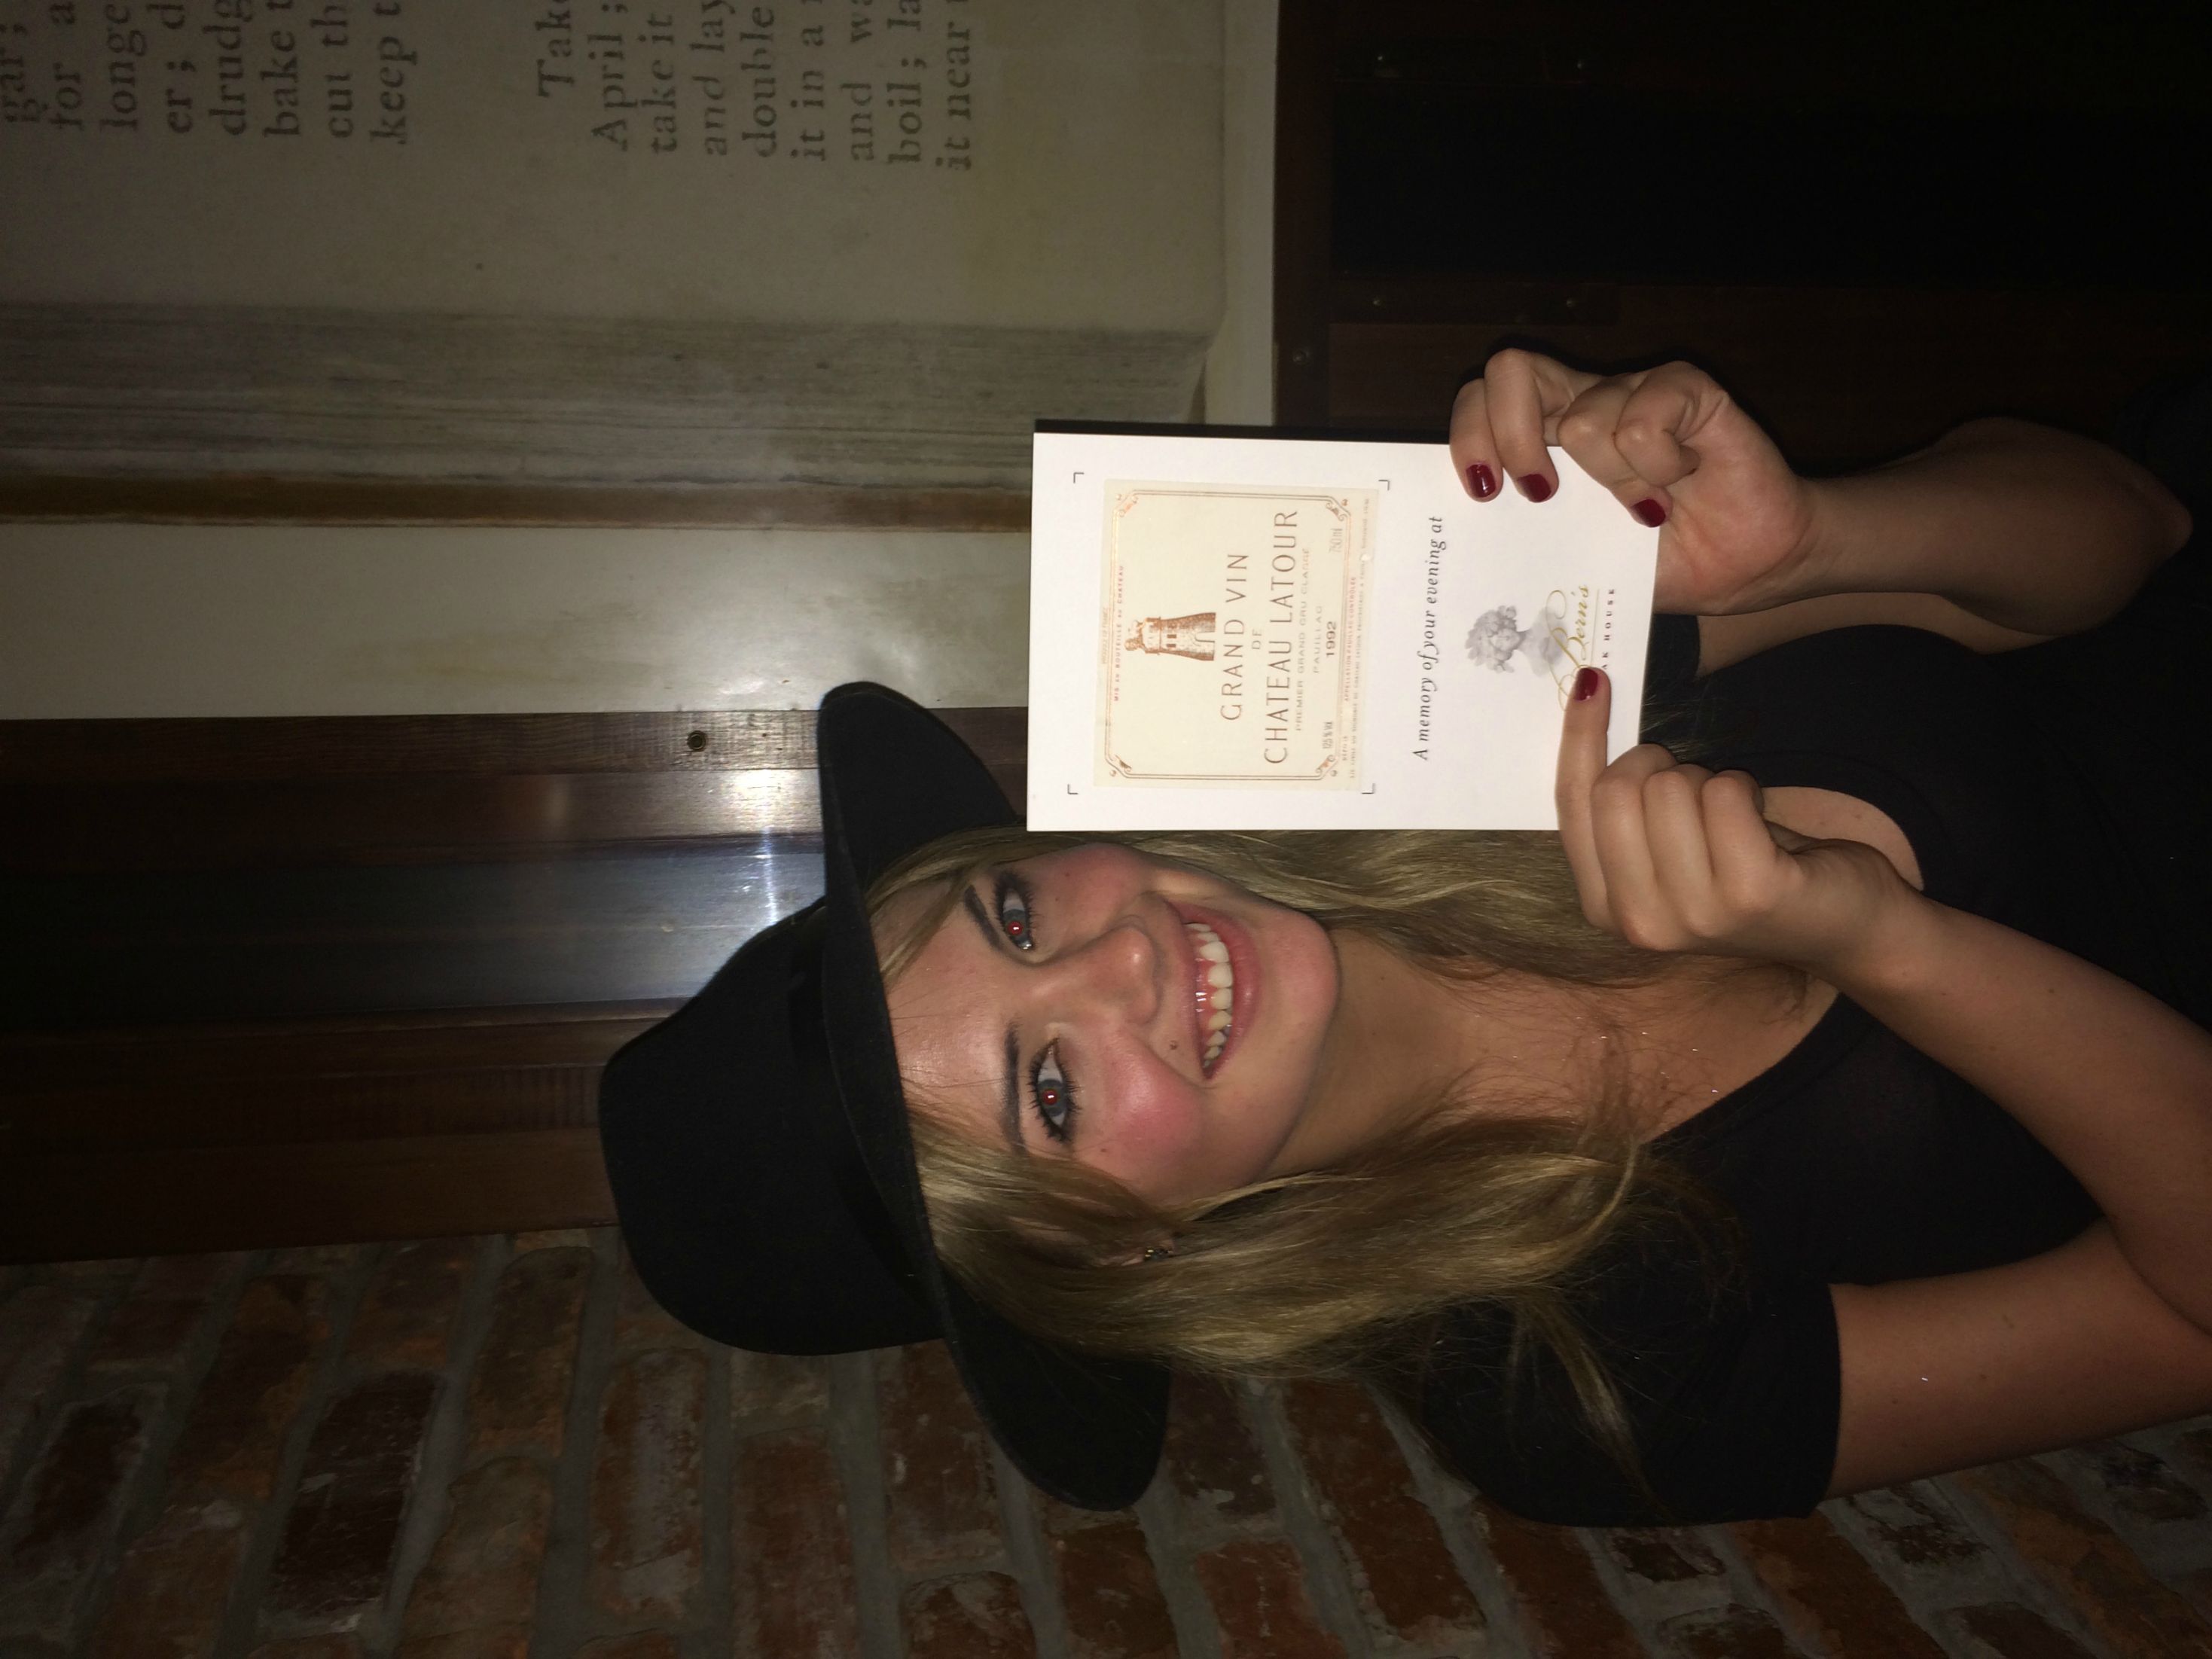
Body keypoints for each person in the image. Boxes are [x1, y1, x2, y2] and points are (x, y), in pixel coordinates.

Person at [599, 349, 2205, 1524]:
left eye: (1015, 915)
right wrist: (1889, 948)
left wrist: (1820, 542)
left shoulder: (1431, 712)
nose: (1121, 963)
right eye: (1052, 1090)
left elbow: (2127, 526)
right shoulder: (1563, 1393)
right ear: (1119, 1251)